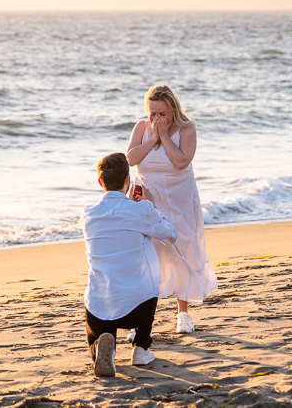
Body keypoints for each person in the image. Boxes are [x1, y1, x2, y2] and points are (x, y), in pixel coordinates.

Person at [126, 84, 217, 334]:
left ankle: (183, 314)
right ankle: (140, 319)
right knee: (148, 257)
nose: (156, 119)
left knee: (184, 250)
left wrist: (165, 136)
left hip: (180, 200)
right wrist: (153, 137)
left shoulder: (187, 129)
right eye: (152, 113)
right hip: (150, 202)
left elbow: (180, 162)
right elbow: (131, 159)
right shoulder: (142, 128)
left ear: (173, 109)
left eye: (162, 114)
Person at [81, 152, 179, 377]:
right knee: (146, 269)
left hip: (99, 308)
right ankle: (141, 348)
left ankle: (103, 348)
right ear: (128, 181)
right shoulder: (142, 210)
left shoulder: (87, 214)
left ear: (100, 182)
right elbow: (171, 235)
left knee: (103, 283)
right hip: (138, 309)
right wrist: (150, 207)